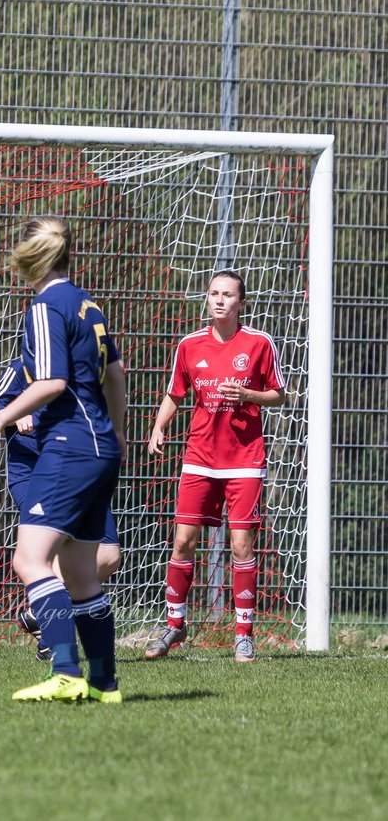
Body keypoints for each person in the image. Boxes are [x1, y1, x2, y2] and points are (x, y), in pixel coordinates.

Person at [0, 216, 127, 703]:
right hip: (100, 447)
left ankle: (65, 671)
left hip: (68, 446)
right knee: (82, 572)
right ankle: (105, 684)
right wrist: (117, 433)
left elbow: (51, 383)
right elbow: (117, 375)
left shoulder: (45, 304)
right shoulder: (88, 304)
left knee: (30, 559)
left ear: (29, 256)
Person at [144, 270, 286, 663]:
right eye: (213, 294)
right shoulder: (190, 345)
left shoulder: (258, 343)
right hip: (200, 458)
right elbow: (175, 393)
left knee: (241, 546)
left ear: (241, 302)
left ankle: (243, 634)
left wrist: (248, 394)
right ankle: (175, 624)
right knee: (183, 541)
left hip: (244, 460)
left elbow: (279, 394)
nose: (219, 300)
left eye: (227, 295)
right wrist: (158, 427)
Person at [0, 356, 122, 661]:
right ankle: (53, 639)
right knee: (54, 550)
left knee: (109, 556)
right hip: (32, 474)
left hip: (78, 472)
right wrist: (15, 414)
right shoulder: (23, 367)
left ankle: (40, 613)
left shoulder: (86, 368)